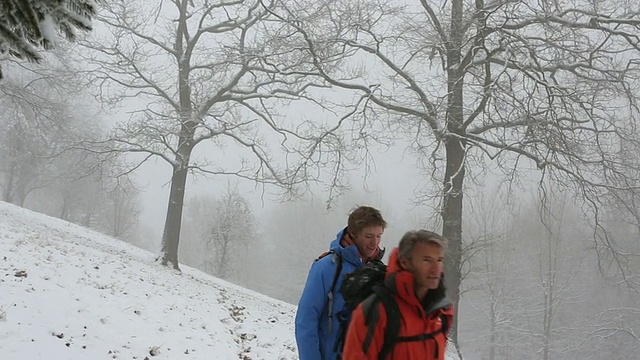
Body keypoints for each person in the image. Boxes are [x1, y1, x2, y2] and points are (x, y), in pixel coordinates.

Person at [342, 230, 454, 360]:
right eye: (427, 260)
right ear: (405, 262)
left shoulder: (442, 311)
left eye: (439, 260)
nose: (435, 269)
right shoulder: (377, 311)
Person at [295, 206, 387, 360]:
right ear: (353, 233)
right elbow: (306, 321)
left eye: (379, 236)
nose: (374, 243)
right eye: (369, 236)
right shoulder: (327, 267)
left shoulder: (379, 272)